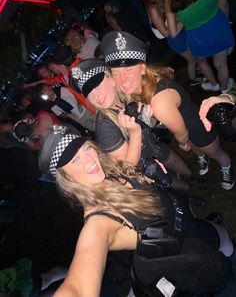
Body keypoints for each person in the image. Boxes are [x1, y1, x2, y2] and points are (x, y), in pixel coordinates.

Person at [38, 125, 233, 297]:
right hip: (186, 255)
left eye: (86, 148)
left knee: (224, 240)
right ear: (67, 178)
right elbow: (79, 287)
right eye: (75, 161)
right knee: (224, 269)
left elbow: (129, 167)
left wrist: (135, 132)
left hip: (192, 225)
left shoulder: (110, 173)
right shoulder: (98, 222)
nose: (89, 159)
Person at [101, 30, 235, 190]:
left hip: (197, 126)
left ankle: (226, 167)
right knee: (196, 148)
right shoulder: (139, 87)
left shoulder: (160, 102)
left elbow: (182, 132)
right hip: (177, 122)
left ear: (142, 68)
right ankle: (201, 155)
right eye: (116, 73)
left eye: (129, 70)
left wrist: (182, 141)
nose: (123, 79)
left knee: (216, 153)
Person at [70, 58, 196, 191]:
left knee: (187, 171)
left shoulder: (128, 96)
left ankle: (192, 181)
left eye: (98, 85)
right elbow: (129, 166)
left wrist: (151, 118)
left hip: (157, 148)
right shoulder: (104, 126)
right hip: (147, 168)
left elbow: (154, 125)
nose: (96, 95)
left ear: (111, 79)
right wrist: (135, 132)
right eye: (89, 93)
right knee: (182, 187)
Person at [167, 0, 234, 93]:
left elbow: (173, 32)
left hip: (196, 36)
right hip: (217, 26)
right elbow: (223, 3)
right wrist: (225, 25)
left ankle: (214, 84)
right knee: (221, 65)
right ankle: (225, 90)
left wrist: (186, 19)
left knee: (201, 62)